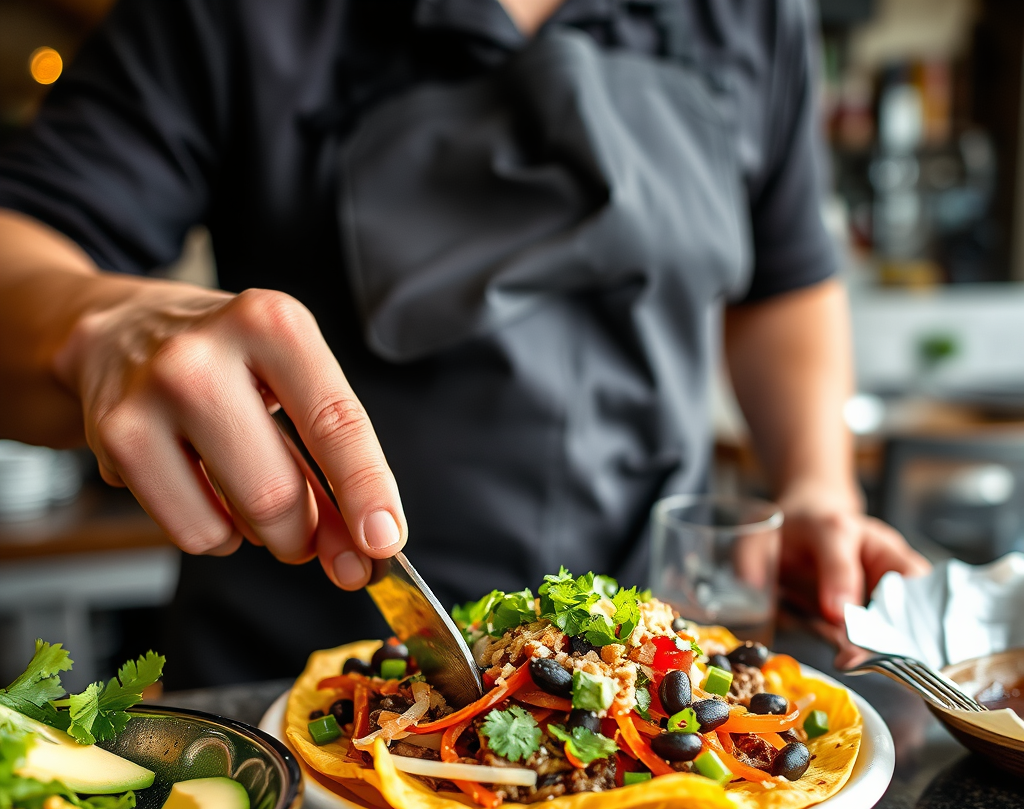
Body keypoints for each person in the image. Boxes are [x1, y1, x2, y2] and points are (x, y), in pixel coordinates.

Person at [0, 0, 927, 687]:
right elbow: (27, 242)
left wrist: (816, 484)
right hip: (288, 694)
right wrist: (100, 322)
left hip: (652, 682)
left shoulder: (757, 15)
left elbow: (785, 282)